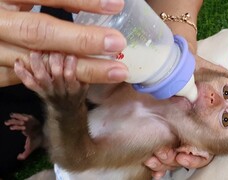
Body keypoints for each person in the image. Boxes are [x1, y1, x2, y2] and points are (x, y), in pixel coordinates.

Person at [0, 0, 214, 179]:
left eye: (224, 119)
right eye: (226, 93)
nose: (214, 99)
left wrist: (177, 39)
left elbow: (79, 156)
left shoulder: (157, 137)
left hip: (66, 72)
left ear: (195, 152)